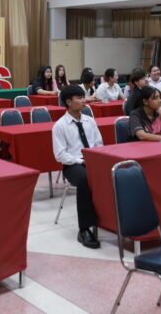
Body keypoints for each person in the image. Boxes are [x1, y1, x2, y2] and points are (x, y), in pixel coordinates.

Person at [52, 85, 103, 249]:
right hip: (73, 164)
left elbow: (99, 143)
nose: (84, 101)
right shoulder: (60, 126)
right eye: (79, 98)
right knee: (84, 179)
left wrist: (95, 158)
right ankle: (84, 228)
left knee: (116, 173)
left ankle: (111, 220)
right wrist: (82, 161)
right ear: (68, 102)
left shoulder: (90, 121)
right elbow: (60, 155)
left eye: (83, 97)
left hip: (93, 160)